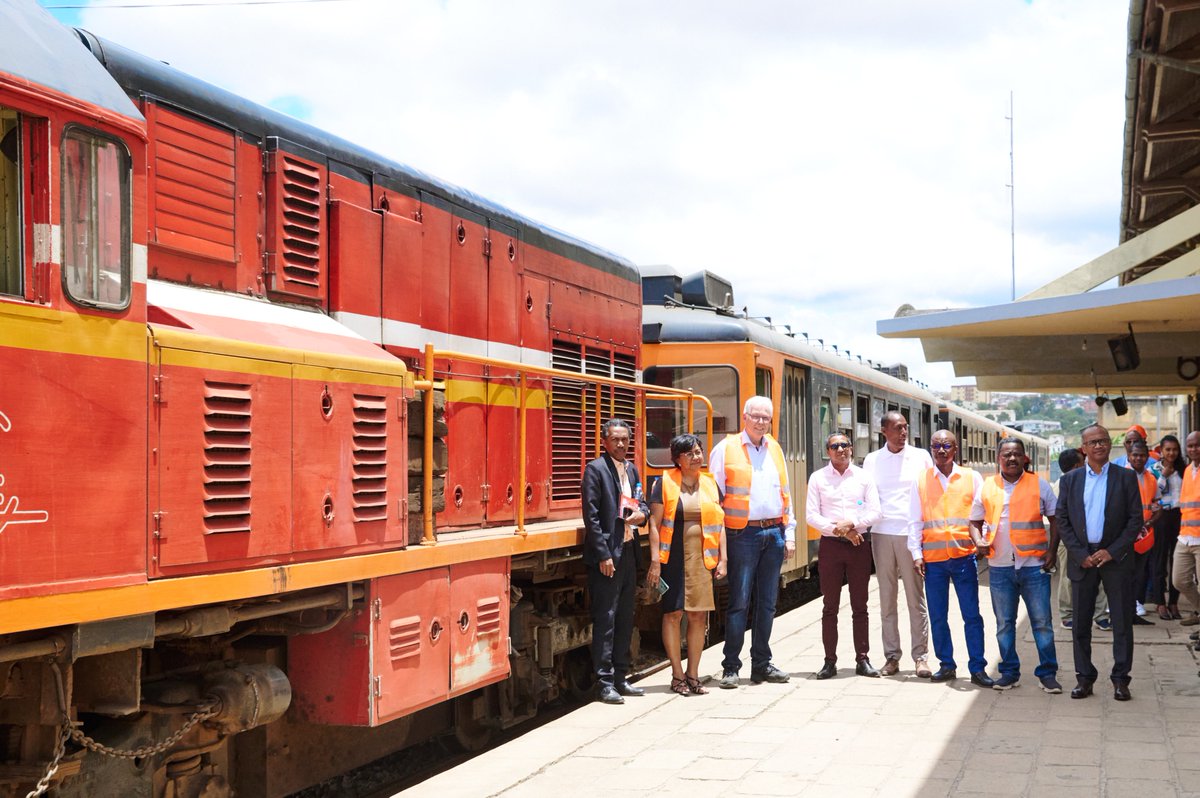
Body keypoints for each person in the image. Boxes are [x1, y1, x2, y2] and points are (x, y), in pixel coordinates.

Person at [708, 396, 797, 688]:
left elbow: (786, 493)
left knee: (768, 603)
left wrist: (790, 533)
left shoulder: (775, 449)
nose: (761, 422)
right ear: (744, 417)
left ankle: (761, 664)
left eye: (766, 418)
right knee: (739, 602)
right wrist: (719, 547)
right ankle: (731, 667)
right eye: (756, 416)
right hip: (742, 534)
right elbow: (714, 498)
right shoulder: (726, 449)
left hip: (774, 533)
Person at [1057, 423, 1143, 701]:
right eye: (1092, 442)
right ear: (1083, 448)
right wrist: (1080, 554)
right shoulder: (1071, 480)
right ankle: (1084, 678)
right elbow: (1063, 520)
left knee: (1120, 622)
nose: (1098, 445)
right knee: (1080, 623)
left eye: (1103, 441)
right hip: (1082, 559)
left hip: (1115, 558)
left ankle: (1120, 679)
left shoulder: (1125, 478)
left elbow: (1134, 521)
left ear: (1109, 445)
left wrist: (1112, 551)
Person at [908, 430, 993, 687]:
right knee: (937, 615)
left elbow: (984, 515)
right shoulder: (921, 479)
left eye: (946, 445)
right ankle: (946, 664)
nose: (941, 450)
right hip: (933, 560)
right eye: (936, 446)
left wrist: (983, 542)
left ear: (955, 448)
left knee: (971, 615)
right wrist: (915, 554)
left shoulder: (971, 477)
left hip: (964, 557)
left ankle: (977, 667)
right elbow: (914, 520)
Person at [646, 434, 728, 697]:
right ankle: (677, 675)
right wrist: (655, 561)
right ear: (678, 459)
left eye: (699, 451)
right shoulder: (664, 483)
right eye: (690, 453)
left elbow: (720, 524)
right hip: (672, 559)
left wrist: (723, 558)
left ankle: (693, 674)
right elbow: (654, 525)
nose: (697, 457)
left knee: (698, 615)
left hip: (702, 558)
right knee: (673, 614)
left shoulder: (711, 484)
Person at [980, 438, 1061, 693]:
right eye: (1006, 454)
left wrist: (1052, 550)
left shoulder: (1040, 484)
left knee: (1042, 622)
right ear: (998, 458)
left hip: (1034, 565)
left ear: (1024, 457)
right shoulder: (988, 486)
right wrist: (978, 540)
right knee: (1004, 623)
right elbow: (973, 520)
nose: (1011, 459)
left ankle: (1047, 673)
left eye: (1016, 454)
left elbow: (1055, 518)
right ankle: (1009, 672)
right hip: (999, 567)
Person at [581, 419, 649, 705]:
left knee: (625, 617)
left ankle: (621, 677)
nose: (621, 444)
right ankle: (605, 682)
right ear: (604, 442)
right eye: (615, 439)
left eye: (625, 439)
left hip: (629, 551)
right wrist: (603, 554)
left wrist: (641, 515)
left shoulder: (632, 468)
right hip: (608, 556)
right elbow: (591, 517)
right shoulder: (595, 470)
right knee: (606, 618)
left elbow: (641, 503)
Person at [862, 411, 933, 677]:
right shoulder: (872, 460)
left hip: (911, 534)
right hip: (881, 534)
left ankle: (921, 657)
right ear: (884, 432)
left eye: (905, 428)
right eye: (898, 428)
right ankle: (892, 657)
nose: (904, 432)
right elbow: (865, 497)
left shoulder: (921, 457)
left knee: (916, 599)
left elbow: (929, 493)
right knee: (887, 598)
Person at [806, 432, 883, 679]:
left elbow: (875, 512)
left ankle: (863, 659)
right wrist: (838, 531)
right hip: (830, 547)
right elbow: (811, 515)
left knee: (860, 606)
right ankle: (829, 662)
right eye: (835, 446)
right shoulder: (818, 478)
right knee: (830, 606)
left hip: (859, 546)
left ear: (851, 448)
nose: (841, 449)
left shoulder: (863, 477)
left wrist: (852, 524)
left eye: (845, 445)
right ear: (828, 451)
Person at [1055, 448, 1108, 630]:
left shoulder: (1090, 481)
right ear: (1077, 465)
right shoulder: (1061, 484)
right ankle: (1068, 613)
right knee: (1068, 578)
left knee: (1099, 576)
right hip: (1069, 541)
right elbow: (1059, 519)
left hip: (1092, 540)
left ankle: (1100, 615)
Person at [1126, 440, 1162, 625]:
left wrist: (1150, 522)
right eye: (1135, 455)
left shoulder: (1151, 479)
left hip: (1144, 536)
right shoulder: (1120, 476)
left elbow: (1157, 507)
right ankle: (1121, 613)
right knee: (1123, 576)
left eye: (1142, 455)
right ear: (1128, 456)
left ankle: (1132, 613)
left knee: (1138, 575)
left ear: (1147, 458)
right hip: (1124, 537)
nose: (1138, 458)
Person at [1151, 434, 1186, 619]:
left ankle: (1174, 602)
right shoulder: (1154, 469)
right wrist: (1163, 476)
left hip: (1180, 517)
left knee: (1177, 561)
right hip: (1161, 517)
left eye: (1175, 449)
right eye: (1168, 449)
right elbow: (1153, 493)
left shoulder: (1184, 470)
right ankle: (1159, 603)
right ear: (1161, 451)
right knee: (1159, 560)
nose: (1171, 453)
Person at [1172, 431, 1200, 627]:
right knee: (1179, 581)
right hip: (1185, 538)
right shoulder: (1189, 470)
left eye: (1197, 445)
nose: (1193, 449)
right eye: (1190, 446)